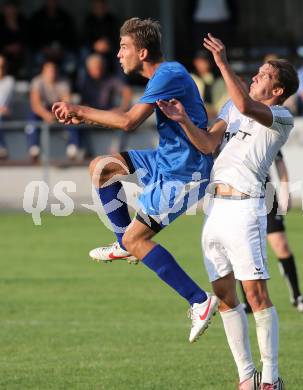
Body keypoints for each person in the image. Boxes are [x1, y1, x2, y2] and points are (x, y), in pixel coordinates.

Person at [52, 18, 218, 343]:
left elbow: (128, 122)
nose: (118, 54)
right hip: (166, 159)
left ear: (142, 52)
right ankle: (124, 242)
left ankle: (199, 300)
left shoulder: (168, 74)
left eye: (123, 47)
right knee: (102, 168)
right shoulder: (165, 75)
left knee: (138, 240)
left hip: (184, 171)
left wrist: (80, 111)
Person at [157, 33, 299, 389]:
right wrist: (183, 120)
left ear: (278, 90)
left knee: (256, 294)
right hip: (215, 209)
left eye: (264, 75)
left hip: (246, 209)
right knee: (224, 296)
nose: (255, 77)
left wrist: (222, 62)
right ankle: (246, 377)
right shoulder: (231, 107)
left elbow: (249, 107)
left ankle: (271, 377)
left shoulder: (280, 117)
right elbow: (208, 143)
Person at [240, 151, 303, 314]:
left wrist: (285, 190)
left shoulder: (263, 129)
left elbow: (279, 160)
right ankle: (247, 301)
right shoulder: (227, 128)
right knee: (242, 249)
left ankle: (297, 297)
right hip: (238, 198)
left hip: (265, 195)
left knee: (281, 245)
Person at [25, 60, 79, 161]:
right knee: (31, 117)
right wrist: (46, 115)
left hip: (58, 109)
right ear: (43, 72)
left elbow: (67, 102)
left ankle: (73, 147)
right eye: (49, 71)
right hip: (42, 111)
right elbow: (35, 105)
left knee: (72, 116)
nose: (51, 73)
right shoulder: (37, 81)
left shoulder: (63, 82)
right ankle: (33, 148)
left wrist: (57, 114)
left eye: (53, 70)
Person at [191, 50, 228, 120]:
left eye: (206, 60)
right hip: (194, 118)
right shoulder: (190, 79)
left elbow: (224, 102)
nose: (204, 64)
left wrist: (216, 112)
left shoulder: (220, 81)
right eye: (201, 61)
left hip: (216, 118)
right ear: (195, 62)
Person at [0, 55, 15, 159]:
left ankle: (1, 148)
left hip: (5, 115)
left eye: (2, 66)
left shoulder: (9, 81)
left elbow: (3, 103)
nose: (0, 69)